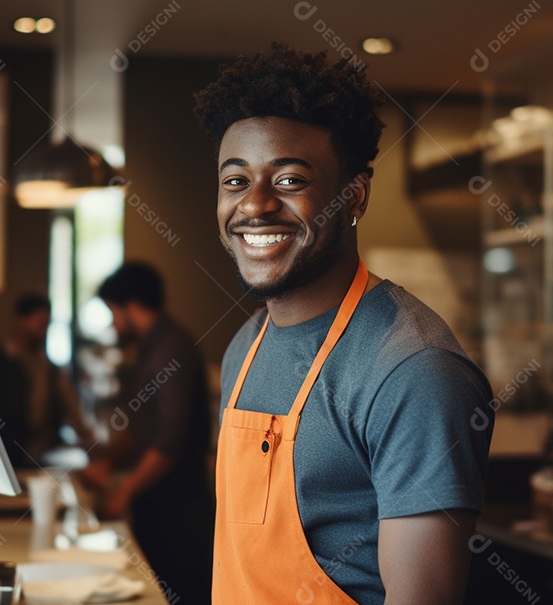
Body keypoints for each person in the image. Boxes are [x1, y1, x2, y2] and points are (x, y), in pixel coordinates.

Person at [192, 43, 495, 604]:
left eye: (289, 181)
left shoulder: (414, 371)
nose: (254, 206)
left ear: (353, 196)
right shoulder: (245, 345)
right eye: (235, 181)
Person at [88, 262, 213, 604]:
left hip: (179, 510)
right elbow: (139, 425)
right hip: (157, 505)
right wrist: (107, 463)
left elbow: (168, 442)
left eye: (113, 311)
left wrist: (123, 492)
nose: (113, 322)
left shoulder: (171, 349)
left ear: (129, 306)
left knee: (177, 594)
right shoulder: (149, 347)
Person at [0, 293, 91, 468]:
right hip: (8, 456)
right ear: (19, 320)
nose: (43, 330)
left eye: (46, 325)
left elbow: (69, 402)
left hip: (44, 454)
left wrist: (85, 433)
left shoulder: (48, 366)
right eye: (39, 324)